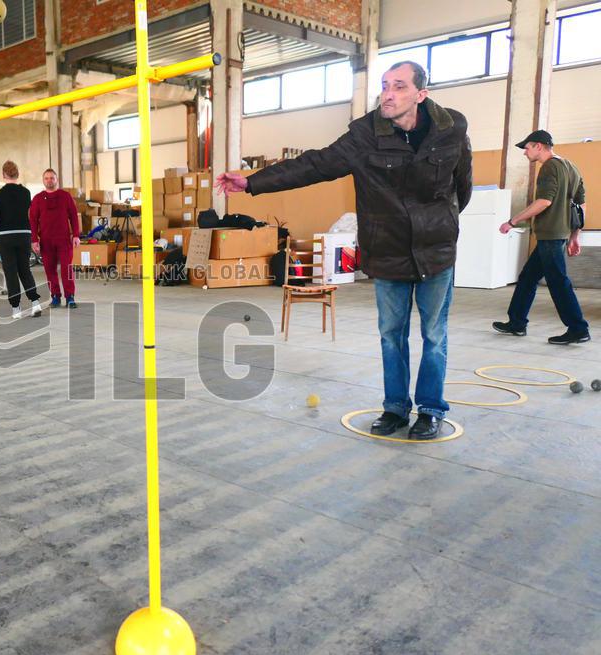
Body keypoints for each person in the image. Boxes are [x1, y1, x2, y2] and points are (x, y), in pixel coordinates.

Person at [216, 61, 472, 440]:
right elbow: (314, 164)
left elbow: (461, 186)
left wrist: (443, 225)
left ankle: (431, 410)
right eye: (385, 85)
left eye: (399, 86)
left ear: (421, 94)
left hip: (436, 251)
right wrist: (253, 182)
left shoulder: (452, 128)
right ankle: (396, 409)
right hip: (388, 251)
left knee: (435, 335)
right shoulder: (365, 134)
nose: (388, 93)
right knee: (391, 335)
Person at [492, 130, 589, 344]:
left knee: (558, 282)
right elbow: (581, 205)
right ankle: (516, 323)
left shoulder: (549, 167)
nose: (525, 153)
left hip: (551, 234)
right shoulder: (570, 166)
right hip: (559, 233)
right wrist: (575, 235)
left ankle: (578, 328)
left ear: (539, 146)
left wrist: (512, 221)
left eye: (527, 148)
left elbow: (544, 201)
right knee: (528, 277)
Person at [0, 160, 42, 319]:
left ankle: (16, 309)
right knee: (25, 269)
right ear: (17, 174)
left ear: (3, 175)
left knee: (11, 272)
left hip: (6, 237)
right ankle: (35, 303)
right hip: (24, 235)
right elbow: (30, 216)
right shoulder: (26, 193)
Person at [30, 168, 81, 308]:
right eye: (46, 178)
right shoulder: (38, 199)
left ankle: (70, 297)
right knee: (49, 270)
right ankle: (55, 297)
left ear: (56, 180)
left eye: (52, 178)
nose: (49, 180)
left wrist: (76, 235)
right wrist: (34, 239)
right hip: (46, 241)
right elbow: (33, 220)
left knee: (67, 269)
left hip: (64, 240)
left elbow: (74, 216)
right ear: (43, 180)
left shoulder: (65, 196)